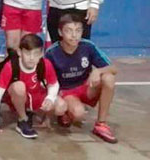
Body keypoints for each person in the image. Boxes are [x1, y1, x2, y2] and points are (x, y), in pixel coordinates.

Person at [45, 13, 118, 143]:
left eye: (78, 30)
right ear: (60, 32)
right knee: (78, 114)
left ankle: (101, 124)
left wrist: (98, 71)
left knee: (108, 78)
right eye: (69, 31)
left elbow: (114, 68)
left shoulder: (88, 46)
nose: (74, 35)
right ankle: (66, 112)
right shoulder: (52, 53)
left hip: (86, 87)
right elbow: (45, 81)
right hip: (66, 91)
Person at [0, 34, 66, 139]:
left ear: (41, 54)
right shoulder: (10, 66)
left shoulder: (45, 64)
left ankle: (43, 117)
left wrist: (50, 98)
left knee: (61, 106)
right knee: (19, 87)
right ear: (19, 52)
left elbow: (54, 84)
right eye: (27, 53)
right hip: (16, 98)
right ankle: (23, 119)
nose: (31, 58)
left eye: (36, 54)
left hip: (36, 97)